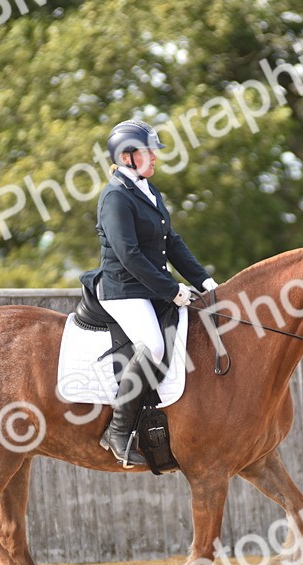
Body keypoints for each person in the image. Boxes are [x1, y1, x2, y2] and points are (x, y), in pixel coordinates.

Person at [92, 119, 218, 467]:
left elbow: (171, 242)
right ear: (128, 156)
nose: (156, 158)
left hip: (149, 287)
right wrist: (171, 289)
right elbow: (129, 255)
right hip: (124, 289)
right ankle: (117, 432)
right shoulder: (115, 198)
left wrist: (204, 281)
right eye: (149, 152)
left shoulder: (148, 191)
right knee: (155, 345)